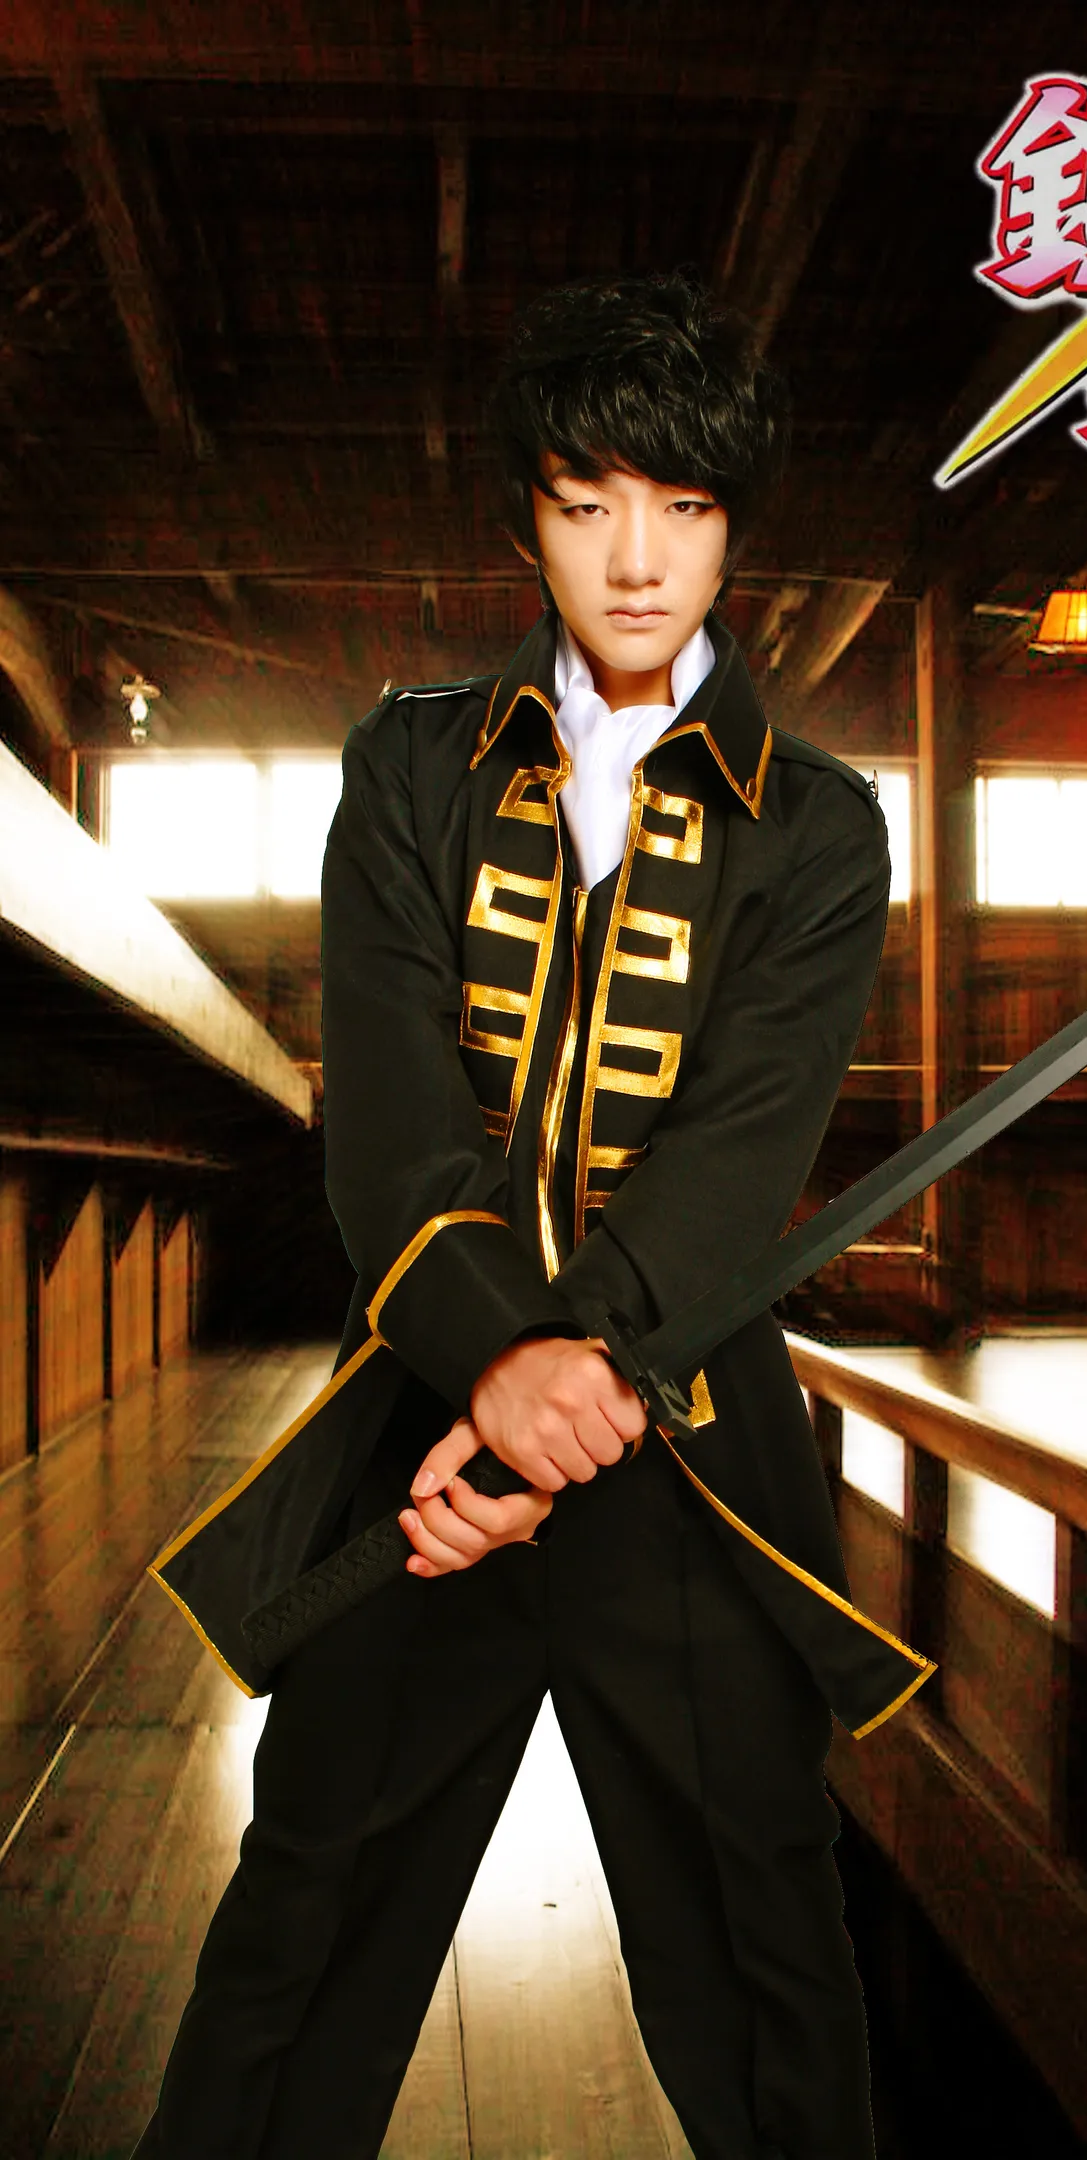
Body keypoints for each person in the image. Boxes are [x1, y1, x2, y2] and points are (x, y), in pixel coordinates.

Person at [138, 270, 933, 2160]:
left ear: (733, 528)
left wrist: (574, 1385)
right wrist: (496, 1365)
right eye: (589, 504)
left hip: (695, 1451)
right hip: (427, 1438)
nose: (637, 559)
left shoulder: (822, 825)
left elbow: (743, 1149)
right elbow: (389, 1116)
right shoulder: (413, 763)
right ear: (529, 521)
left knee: (764, 1933)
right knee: (306, 1906)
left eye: (685, 507)